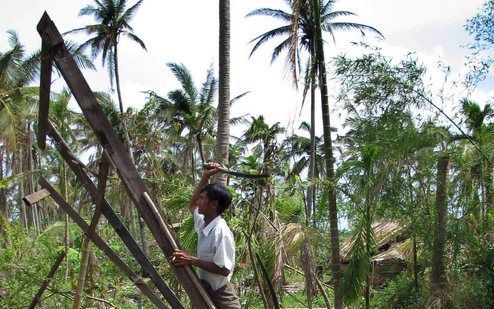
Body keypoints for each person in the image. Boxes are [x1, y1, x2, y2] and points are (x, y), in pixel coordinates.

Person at [172, 162, 241, 308]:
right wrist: (206, 176)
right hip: (205, 289)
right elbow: (192, 205)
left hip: (221, 295)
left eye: (202, 198)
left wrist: (191, 260)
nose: (198, 201)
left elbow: (224, 269)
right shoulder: (204, 223)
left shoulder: (220, 232)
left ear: (214, 205)